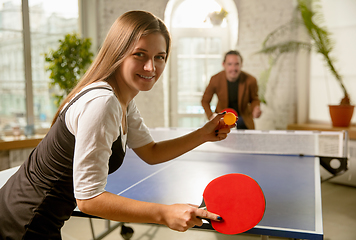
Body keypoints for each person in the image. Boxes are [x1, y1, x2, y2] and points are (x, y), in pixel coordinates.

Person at [0, 11, 234, 239]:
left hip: (31, 214)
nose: (151, 67)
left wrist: (203, 134)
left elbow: (150, 152)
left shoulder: (122, 99)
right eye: (140, 54)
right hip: (24, 222)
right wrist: (164, 213)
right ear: (119, 52)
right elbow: (88, 199)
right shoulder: (102, 103)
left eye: (159, 57)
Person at [201, 50, 261, 129]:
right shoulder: (215, 79)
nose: (233, 68)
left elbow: (254, 99)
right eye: (230, 64)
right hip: (222, 119)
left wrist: (256, 108)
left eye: (236, 64)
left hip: (243, 119)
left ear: (241, 64)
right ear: (223, 64)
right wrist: (211, 115)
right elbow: (205, 101)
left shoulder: (251, 80)